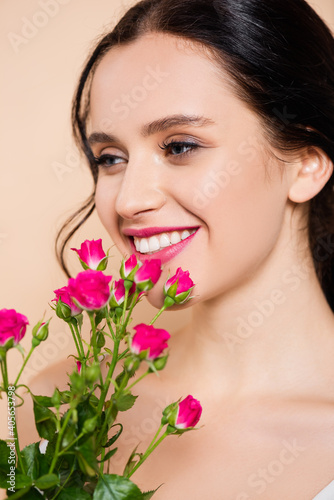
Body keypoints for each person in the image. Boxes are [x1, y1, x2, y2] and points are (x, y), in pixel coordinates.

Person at [25, 0, 334, 498]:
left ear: (306, 164)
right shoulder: (49, 412)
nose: (129, 200)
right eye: (110, 158)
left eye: (179, 146)